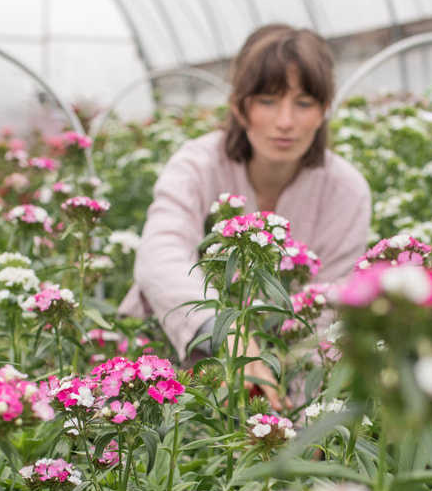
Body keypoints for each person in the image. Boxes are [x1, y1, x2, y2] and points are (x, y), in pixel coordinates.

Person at [117, 24, 372, 409]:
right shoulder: (196, 165)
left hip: (287, 386)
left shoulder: (346, 191)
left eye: (303, 103)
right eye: (268, 101)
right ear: (239, 105)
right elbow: (159, 254)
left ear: (323, 111)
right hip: (173, 375)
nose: (285, 121)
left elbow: (328, 318)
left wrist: (304, 428)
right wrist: (228, 335)